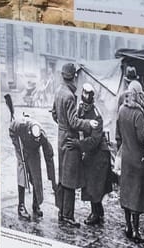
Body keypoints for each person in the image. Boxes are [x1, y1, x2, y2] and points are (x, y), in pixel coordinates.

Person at [52, 62, 97, 228]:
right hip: (70, 141)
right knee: (69, 179)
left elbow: (55, 114)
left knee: (63, 177)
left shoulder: (58, 91)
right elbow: (73, 122)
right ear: (73, 77)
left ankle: (61, 212)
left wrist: (62, 125)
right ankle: (68, 216)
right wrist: (87, 124)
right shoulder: (70, 96)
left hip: (61, 139)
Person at [116, 81, 144, 240]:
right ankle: (136, 231)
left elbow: (118, 134)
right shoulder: (138, 113)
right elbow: (141, 137)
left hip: (126, 157)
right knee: (136, 193)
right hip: (138, 158)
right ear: (138, 94)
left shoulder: (122, 110)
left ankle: (127, 226)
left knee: (126, 192)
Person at [9, 111, 57, 221]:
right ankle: (21, 206)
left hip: (34, 151)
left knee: (36, 177)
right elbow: (11, 131)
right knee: (22, 174)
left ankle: (36, 205)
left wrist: (53, 180)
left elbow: (49, 157)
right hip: (21, 148)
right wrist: (18, 148)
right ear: (29, 130)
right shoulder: (19, 124)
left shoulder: (42, 136)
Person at [76, 83, 112, 226]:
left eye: (88, 96)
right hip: (91, 153)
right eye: (84, 94)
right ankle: (98, 210)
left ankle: (95, 214)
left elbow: (95, 140)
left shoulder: (97, 116)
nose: (85, 99)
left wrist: (79, 145)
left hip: (99, 154)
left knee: (95, 185)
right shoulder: (81, 109)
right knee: (90, 183)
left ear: (92, 98)